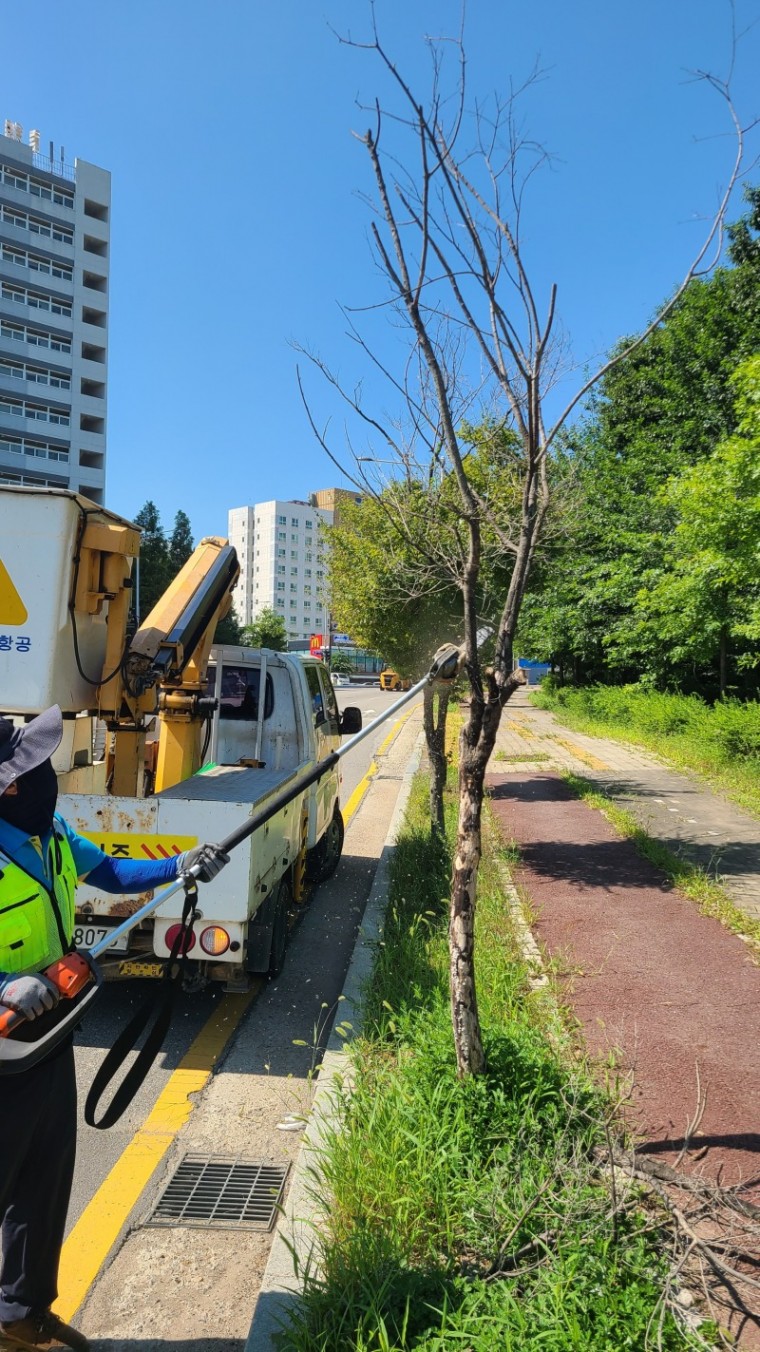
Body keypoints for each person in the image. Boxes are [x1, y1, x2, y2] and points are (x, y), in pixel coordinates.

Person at [0, 706, 229, 1352]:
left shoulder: (49, 831)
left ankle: (21, 1315)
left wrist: (182, 866)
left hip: (44, 1042)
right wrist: (6, 987)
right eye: (32, 764)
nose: (48, 772)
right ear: (9, 785)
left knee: (44, 1180)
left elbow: (112, 873)